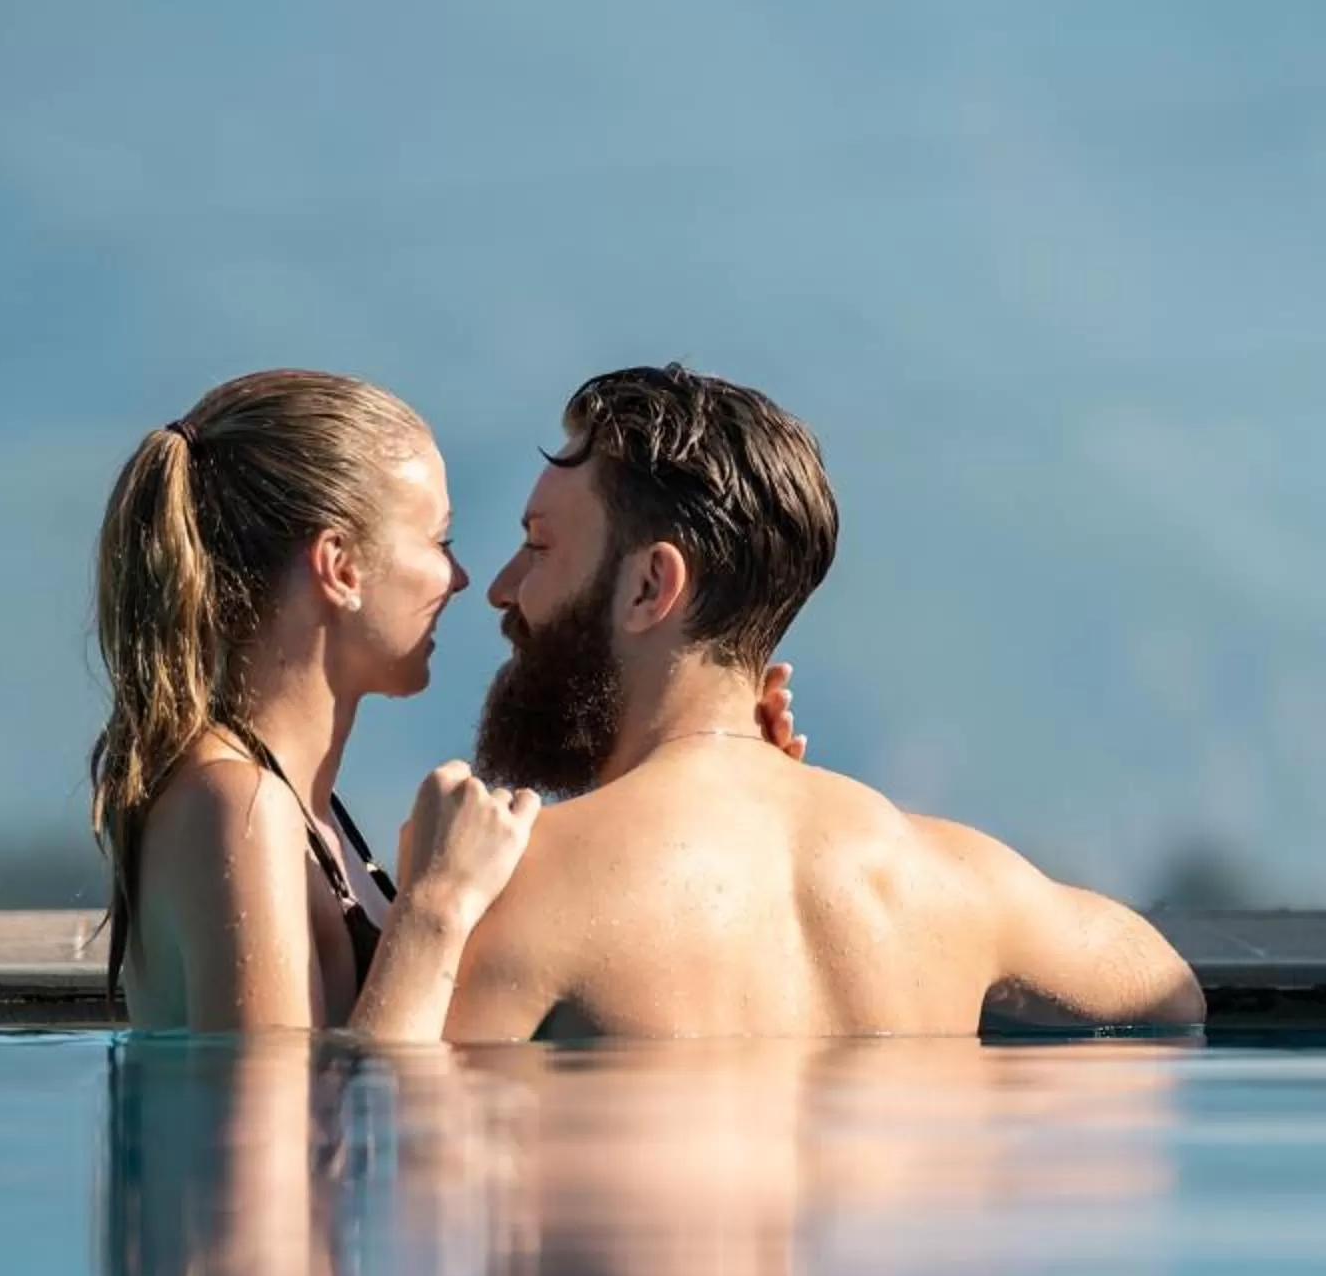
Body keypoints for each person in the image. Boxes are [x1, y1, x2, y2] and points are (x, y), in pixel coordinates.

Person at [369, 365, 1207, 1041]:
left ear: (649, 586)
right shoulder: (948, 881)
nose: (504, 588)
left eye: (538, 546)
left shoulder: (525, 882)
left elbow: (378, 1150)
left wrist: (430, 910)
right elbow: (1171, 993)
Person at [86, 368, 797, 1031]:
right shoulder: (238, 805)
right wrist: (432, 909)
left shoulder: (295, 804)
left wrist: (725, 788)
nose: (462, 578)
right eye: (439, 539)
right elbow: (271, 1146)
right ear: (340, 567)